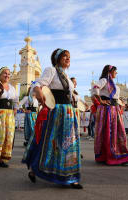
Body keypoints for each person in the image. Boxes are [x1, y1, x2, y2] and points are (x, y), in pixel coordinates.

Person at [22, 48, 82, 189]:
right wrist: (37, 90)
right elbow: (37, 84)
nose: (68, 58)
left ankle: (70, 176)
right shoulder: (51, 71)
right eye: (64, 56)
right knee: (50, 143)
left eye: (69, 56)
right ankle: (35, 169)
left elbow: (70, 94)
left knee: (70, 144)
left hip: (68, 112)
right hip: (56, 111)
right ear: (57, 58)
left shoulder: (66, 76)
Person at [91, 65, 128, 165]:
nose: (116, 73)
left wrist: (120, 103)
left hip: (114, 109)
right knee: (109, 132)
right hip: (107, 109)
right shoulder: (104, 80)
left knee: (118, 132)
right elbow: (95, 88)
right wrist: (100, 100)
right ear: (110, 71)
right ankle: (110, 155)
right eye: (115, 71)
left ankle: (121, 154)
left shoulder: (112, 83)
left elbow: (115, 97)